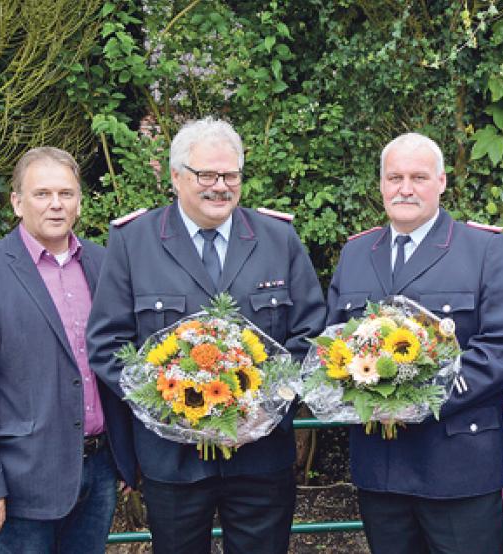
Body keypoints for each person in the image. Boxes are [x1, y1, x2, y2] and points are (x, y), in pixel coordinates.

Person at [86, 117, 326, 554]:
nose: (220, 186)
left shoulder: (278, 238)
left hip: (260, 453)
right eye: (206, 175)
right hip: (171, 460)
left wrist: (264, 405)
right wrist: (169, 407)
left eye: (230, 174)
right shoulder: (133, 241)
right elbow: (107, 345)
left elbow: (309, 333)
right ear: (176, 177)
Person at [325, 132, 503, 554]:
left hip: (457, 463)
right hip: (380, 464)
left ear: (441, 182)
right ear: (380, 183)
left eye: (418, 177)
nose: (404, 188)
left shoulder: (484, 249)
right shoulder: (356, 253)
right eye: (394, 177)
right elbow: (333, 347)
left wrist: (420, 396)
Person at [0, 147, 136, 553]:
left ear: (80, 202)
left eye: (66, 193)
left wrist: (124, 457)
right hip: (21, 479)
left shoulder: (105, 265)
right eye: (42, 194)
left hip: (99, 469)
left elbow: (121, 359)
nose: (55, 205)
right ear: (17, 202)